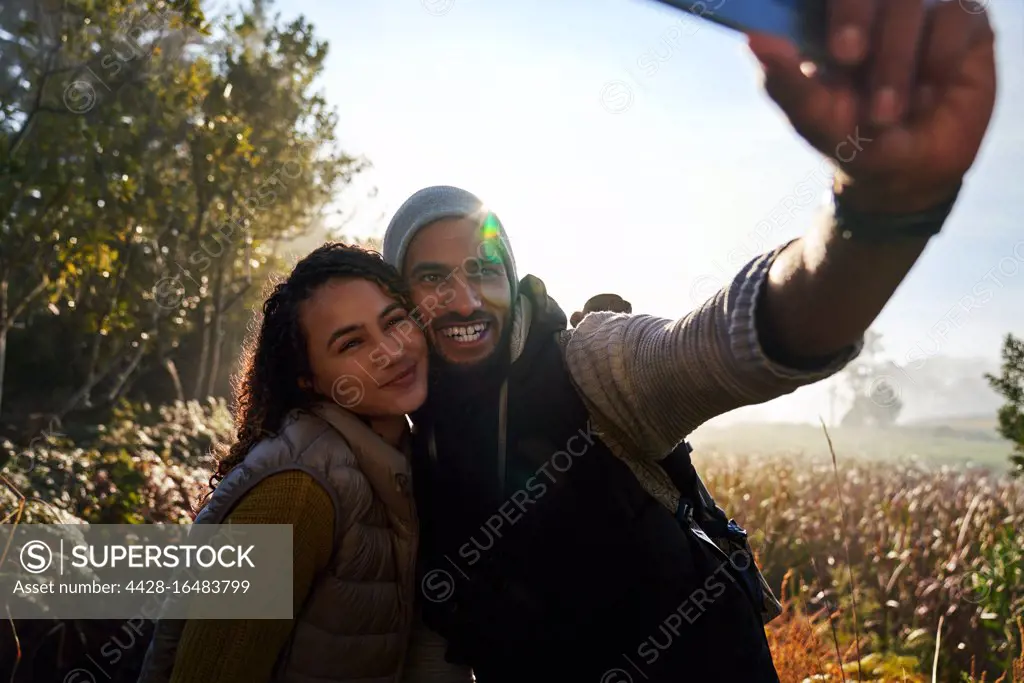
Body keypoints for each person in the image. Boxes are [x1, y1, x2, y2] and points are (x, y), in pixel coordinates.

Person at [381, 3, 997, 681]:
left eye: (484, 270)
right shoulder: (408, 428)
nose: (465, 299)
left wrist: (880, 211)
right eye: (433, 278)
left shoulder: (589, 364)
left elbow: (725, 344)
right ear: (401, 300)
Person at [137, 243, 472, 683]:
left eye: (394, 321)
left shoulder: (404, 461)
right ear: (308, 378)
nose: (390, 351)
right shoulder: (296, 493)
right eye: (351, 342)